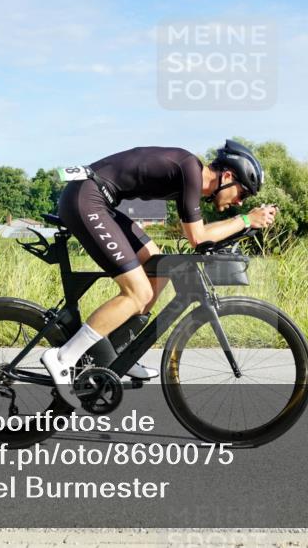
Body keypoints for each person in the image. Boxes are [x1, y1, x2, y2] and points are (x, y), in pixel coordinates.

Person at [41, 140, 276, 405]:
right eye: (242, 193)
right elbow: (198, 238)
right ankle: (63, 358)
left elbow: (200, 236)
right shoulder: (190, 170)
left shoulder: (189, 174)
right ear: (228, 176)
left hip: (99, 200)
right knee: (138, 293)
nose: (239, 202)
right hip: (87, 198)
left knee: (158, 266)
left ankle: (118, 355)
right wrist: (245, 220)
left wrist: (244, 224)